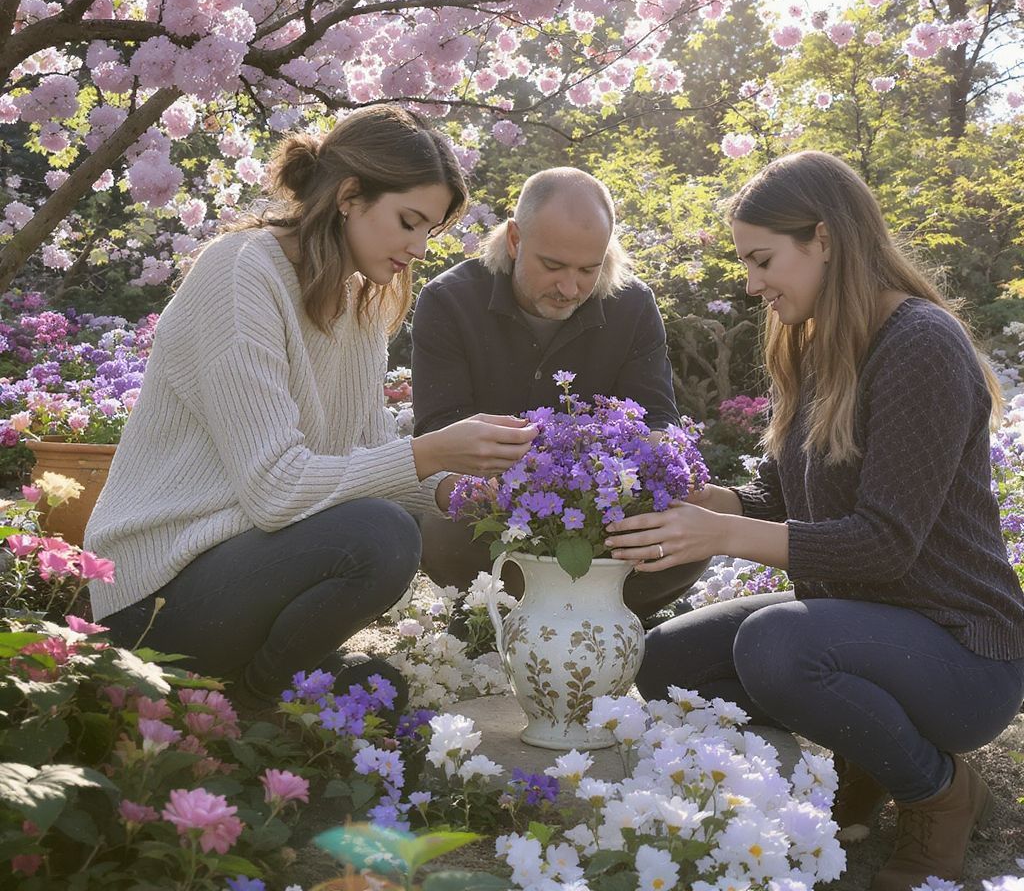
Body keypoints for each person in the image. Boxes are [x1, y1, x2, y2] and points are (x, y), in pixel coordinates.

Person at [604, 150, 1024, 891]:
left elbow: (887, 545)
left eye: (762, 259)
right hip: (863, 624)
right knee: (665, 661)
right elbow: (777, 497)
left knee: (778, 644)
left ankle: (940, 792)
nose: (751, 282)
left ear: (823, 239)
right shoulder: (813, 344)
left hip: (964, 652)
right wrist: (707, 506)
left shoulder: (921, 344)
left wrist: (725, 538)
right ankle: (862, 755)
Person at [85, 106, 537, 711]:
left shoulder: (358, 303)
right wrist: (430, 451)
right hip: (152, 597)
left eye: (429, 230)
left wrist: (461, 488)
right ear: (350, 194)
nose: (418, 247)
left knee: (380, 691)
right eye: (409, 221)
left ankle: (254, 687)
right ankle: (247, 707)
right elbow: (276, 489)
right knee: (379, 536)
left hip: (240, 573)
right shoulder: (241, 272)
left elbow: (368, 461)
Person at [412, 166, 708, 620]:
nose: (570, 288)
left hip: (607, 512)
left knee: (695, 526)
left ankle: (602, 614)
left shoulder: (632, 304)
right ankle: (501, 613)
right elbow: (439, 429)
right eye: (552, 266)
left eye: (589, 269)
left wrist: (665, 457)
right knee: (443, 531)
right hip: (494, 508)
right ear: (515, 239)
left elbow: (654, 416)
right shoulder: (448, 300)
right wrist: (500, 490)